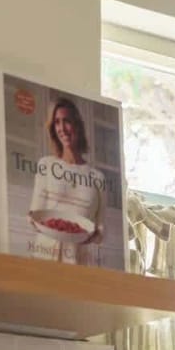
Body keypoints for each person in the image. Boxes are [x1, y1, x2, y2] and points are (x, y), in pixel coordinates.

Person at [28, 97, 106, 263]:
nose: (62, 128)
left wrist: (92, 236)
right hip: (45, 254)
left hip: (78, 259)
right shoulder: (46, 165)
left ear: (77, 125)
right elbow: (34, 214)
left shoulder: (98, 178)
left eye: (67, 121)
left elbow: (100, 229)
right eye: (57, 122)